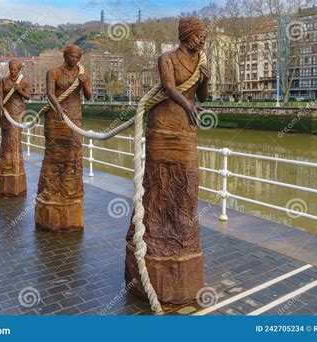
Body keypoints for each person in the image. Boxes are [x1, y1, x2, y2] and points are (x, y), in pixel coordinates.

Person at [125, 17, 210, 304]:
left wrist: (206, 80)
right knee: (158, 184)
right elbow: (171, 88)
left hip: (186, 130)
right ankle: (155, 237)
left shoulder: (200, 62)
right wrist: (187, 103)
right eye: (199, 36)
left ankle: (182, 237)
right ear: (187, 35)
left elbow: (203, 96)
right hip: (163, 127)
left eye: (204, 37)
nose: (202, 41)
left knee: (187, 183)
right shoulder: (167, 59)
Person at [35, 44, 92, 231]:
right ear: (65, 55)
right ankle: (51, 192)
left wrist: (84, 83)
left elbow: (89, 97)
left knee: (73, 156)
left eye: (78, 56)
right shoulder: (53, 72)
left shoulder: (81, 74)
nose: (75, 59)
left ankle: (70, 192)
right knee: (54, 155)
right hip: (56, 118)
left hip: (74, 117)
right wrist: (58, 108)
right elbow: (50, 94)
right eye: (72, 56)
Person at [0, 60, 31, 196]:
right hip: (5, 111)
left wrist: (19, 90)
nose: (13, 71)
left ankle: (15, 166)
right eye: (11, 69)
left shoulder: (24, 81)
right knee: (6, 137)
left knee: (14, 138)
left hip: (17, 111)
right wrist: (1, 106)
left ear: (19, 70)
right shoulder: (2, 80)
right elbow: (0, 95)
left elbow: (28, 96)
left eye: (15, 69)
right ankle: (4, 165)